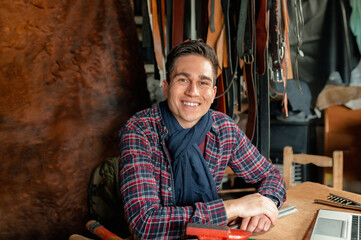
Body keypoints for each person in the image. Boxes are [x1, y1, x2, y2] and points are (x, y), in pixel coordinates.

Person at [118, 39, 286, 239]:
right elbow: (144, 224)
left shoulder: (223, 128)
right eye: (183, 80)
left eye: (203, 82)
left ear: (213, 93)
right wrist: (234, 207)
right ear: (165, 86)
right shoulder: (139, 130)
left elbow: (271, 176)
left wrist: (265, 206)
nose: (193, 92)